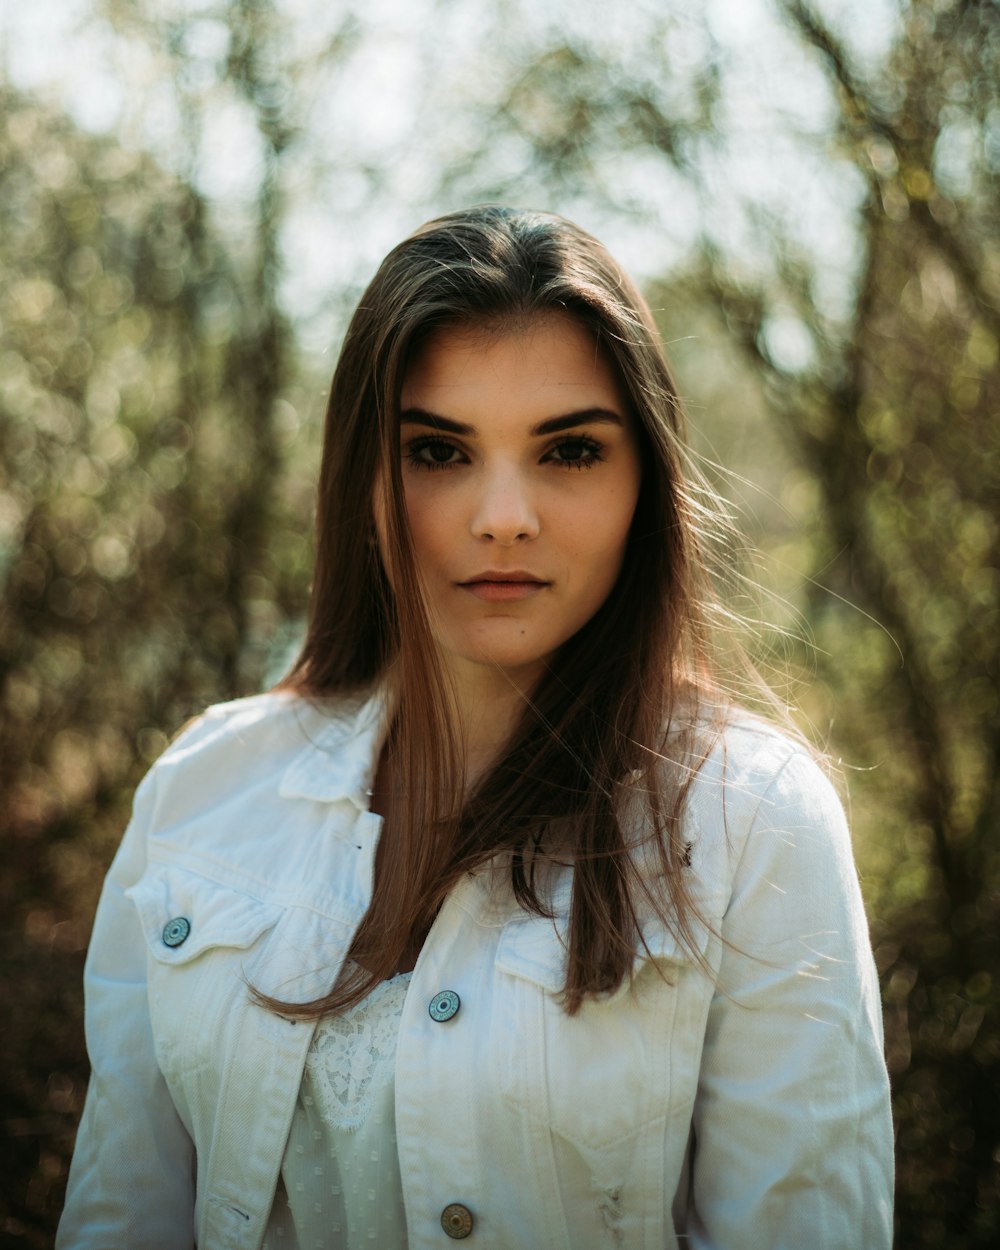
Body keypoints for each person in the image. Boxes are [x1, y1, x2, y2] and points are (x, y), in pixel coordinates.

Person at [57, 205, 894, 1249]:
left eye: (570, 450)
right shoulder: (202, 789)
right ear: (364, 475)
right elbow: (119, 1214)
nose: (504, 513)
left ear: (647, 480)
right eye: (441, 449)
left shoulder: (754, 825)